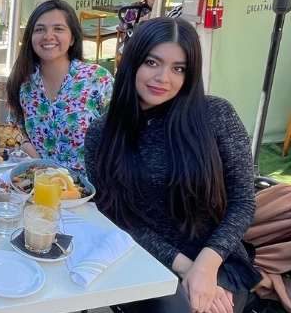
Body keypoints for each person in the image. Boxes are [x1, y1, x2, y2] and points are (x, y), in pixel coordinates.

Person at [84, 18, 260, 313]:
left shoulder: (216, 115)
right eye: (153, 62)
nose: (163, 78)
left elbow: (243, 201)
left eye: (178, 68)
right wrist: (186, 267)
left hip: (219, 257)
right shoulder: (103, 133)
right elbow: (117, 216)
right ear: (132, 62)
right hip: (141, 256)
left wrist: (205, 267)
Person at [6, 0, 113, 177]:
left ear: (72, 38)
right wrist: (33, 155)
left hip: (90, 195)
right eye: (40, 29)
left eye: (58, 29)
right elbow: (15, 128)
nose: (48, 36)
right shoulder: (23, 83)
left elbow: (122, 133)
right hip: (39, 187)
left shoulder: (98, 79)